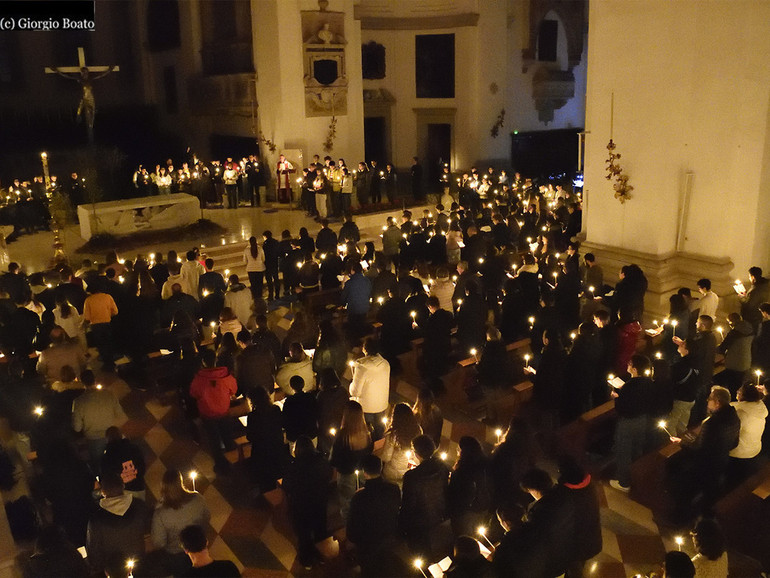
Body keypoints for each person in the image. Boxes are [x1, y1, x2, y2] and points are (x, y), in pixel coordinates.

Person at [669, 386, 740, 517]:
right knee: (707, 494)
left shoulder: (712, 423)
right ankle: (701, 518)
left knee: (687, 489)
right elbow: (735, 443)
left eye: (710, 399)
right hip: (721, 461)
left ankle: (678, 518)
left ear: (717, 402)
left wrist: (682, 442)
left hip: (705, 464)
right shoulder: (734, 417)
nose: (707, 401)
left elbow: (700, 448)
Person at [346, 455, 402, 577]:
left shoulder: (359, 498)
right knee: (385, 567)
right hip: (389, 537)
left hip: (368, 545)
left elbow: (352, 530)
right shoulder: (394, 488)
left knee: (369, 571)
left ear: (365, 473)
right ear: (381, 468)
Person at [86, 473, 149, 576]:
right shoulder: (139, 506)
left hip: (114, 571)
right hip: (139, 565)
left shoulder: (96, 519)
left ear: (103, 492)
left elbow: (94, 552)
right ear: (123, 486)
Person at [283, 436, 332, 570]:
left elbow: (286, 485)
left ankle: (307, 559)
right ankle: (322, 555)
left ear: (297, 450)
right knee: (320, 529)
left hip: (301, 505)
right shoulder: (322, 461)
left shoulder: (294, 466)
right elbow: (328, 475)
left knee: (303, 533)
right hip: (319, 502)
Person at [150, 470, 211, 576]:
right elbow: (207, 518)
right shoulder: (198, 498)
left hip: (175, 554)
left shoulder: (160, 513)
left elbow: (158, 542)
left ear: (163, 487)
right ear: (181, 483)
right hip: (197, 547)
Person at [399, 434, 450, 557]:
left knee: (420, 551)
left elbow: (408, 505)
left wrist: (402, 525)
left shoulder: (412, 477)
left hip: (419, 520)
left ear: (416, 454)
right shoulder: (442, 467)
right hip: (438, 513)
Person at [610, 354, 654, 492]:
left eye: (630, 364)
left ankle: (623, 482)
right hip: (642, 420)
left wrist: (616, 397)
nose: (628, 365)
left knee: (623, 451)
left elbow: (622, 408)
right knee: (636, 449)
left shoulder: (629, 386)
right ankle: (635, 478)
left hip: (628, 422)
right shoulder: (649, 382)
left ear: (635, 369)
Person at [189, 349, 238, 474]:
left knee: (214, 441)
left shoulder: (199, 379)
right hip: (224, 412)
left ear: (203, 362)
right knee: (228, 437)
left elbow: (193, 393)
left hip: (208, 415)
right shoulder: (225, 375)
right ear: (215, 360)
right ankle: (235, 463)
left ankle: (221, 466)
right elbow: (234, 389)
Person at [557, 455, 602, 577]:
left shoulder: (568, 496)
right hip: (590, 541)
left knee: (575, 571)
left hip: (577, 546)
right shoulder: (589, 486)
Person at [72, 370, 127, 466]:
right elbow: (122, 417)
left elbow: (77, 428)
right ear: (95, 379)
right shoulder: (109, 394)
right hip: (112, 435)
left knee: (99, 464)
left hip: (93, 439)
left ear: (81, 382)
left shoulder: (78, 402)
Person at [330, 400, 373, 520]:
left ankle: (349, 530)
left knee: (347, 504)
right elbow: (370, 450)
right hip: (363, 473)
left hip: (346, 474)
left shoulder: (342, 436)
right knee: (362, 499)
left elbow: (334, 460)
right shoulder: (367, 433)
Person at [448, 436, 491, 537]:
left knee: (463, 537)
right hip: (483, 508)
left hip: (466, 512)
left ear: (463, 451)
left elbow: (455, 494)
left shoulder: (462, 471)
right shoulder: (485, 464)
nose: (457, 451)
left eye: (458, 449)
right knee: (476, 536)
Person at [245, 387, 286, 492]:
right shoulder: (275, 409)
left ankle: (266, 494)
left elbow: (250, 436)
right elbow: (282, 424)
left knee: (265, 477)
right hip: (277, 446)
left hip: (261, 451)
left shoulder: (253, 416)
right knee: (277, 472)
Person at [349, 338, 390, 439]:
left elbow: (355, 392)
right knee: (380, 432)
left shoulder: (362, 367)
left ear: (364, 349)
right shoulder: (385, 364)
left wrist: (352, 383)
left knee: (367, 433)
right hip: (381, 404)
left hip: (366, 407)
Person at [728, 383, 767, 482]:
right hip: (755, 450)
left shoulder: (740, 413)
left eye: (739, 391)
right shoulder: (760, 409)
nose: (737, 392)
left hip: (739, 453)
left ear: (744, 396)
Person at [381, 402, 422, 486]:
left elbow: (386, 457)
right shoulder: (418, 430)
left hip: (392, 473)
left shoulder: (393, 435)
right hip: (410, 470)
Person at [101, 426, 146, 501]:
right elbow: (142, 468)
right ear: (121, 436)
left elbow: (107, 476)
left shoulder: (107, 456)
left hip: (121, 492)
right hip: (138, 487)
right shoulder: (134, 448)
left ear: (107, 439)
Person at [714, 312, 753, 395]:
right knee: (739, 385)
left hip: (734, 364)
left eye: (729, 322)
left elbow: (722, 348)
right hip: (746, 361)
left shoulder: (734, 333)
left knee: (732, 387)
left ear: (732, 321)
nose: (729, 325)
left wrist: (714, 348)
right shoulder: (750, 329)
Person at [83, 283, 118, 370]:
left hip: (96, 326)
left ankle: (106, 363)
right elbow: (115, 311)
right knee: (108, 343)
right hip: (107, 323)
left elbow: (87, 317)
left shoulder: (88, 300)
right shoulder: (108, 297)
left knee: (101, 345)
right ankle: (111, 361)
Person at [282, 375, 319, 445]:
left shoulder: (289, 401)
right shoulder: (310, 397)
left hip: (295, 436)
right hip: (311, 433)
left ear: (291, 386)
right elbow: (317, 413)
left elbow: (285, 419)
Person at [243, 236, 265, 302]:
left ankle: (255, 298)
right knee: (259, 285)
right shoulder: (260, 249)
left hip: (250, 269)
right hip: (260, 269)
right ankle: (260, 298)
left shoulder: (246, 250)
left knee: (253, 285)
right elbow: (263, 259)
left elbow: (244, 261)